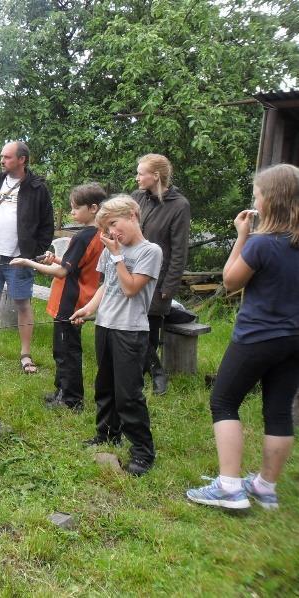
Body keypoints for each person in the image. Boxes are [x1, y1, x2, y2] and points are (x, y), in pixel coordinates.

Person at [187, 164, 299, 510]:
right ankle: (266, 487)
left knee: (224, 401)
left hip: (257, 336)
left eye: (257, 195)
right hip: (294, 339)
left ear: (269, 201)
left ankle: (230, 487)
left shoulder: (262, 244)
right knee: (278, 409)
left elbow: (231, 281)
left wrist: (241, 236)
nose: (255, 200)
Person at [71, 195, 163, 476]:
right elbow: (106, 287)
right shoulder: (112, 249)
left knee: (128, 394)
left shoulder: (150, 251)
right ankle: (107, 434)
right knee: (105, 386)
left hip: (130, 330)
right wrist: (87, 309)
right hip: (106, 326)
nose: (112, 233)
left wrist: (118, 256)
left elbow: (131, 288)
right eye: (107, 228)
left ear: (133, 215)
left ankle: (142, 451)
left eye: (114, 224)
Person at [11, 183, 105, 411]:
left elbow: (63, 272)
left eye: (76, 208)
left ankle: (71, 400)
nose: (72, 212)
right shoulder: (100, 234)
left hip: (70, 301)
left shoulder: (84, 237)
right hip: (80, 298)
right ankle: (61, 391)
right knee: (62, 348)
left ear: (93, 208)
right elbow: (74, 266)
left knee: (66, 352)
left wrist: (27, 262)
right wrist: (54, 259)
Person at [0, 140, 54, 373]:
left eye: (6, 157)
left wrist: (34, 253)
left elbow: (47, 225)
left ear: (21, 160)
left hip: (20, 258)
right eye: (2, 156)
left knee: (22, 303)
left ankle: (25, 354)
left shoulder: (37, 188)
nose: (2, 160)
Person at [132, 154, 190, 395]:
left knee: (150, 330)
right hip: (132, 273)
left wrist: (170, 285)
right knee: (132, 328)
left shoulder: (179, 205)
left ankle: (155, 375)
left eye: (140, 173)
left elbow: (179, 251)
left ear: (155, 176)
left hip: (159, 279)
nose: (136, 177)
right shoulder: (136, 199)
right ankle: (149, 371)